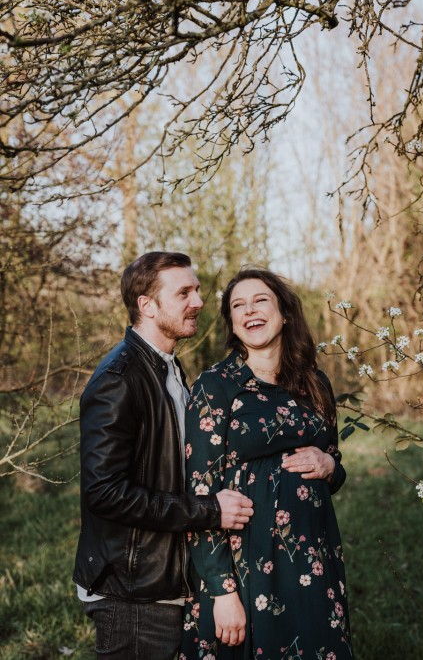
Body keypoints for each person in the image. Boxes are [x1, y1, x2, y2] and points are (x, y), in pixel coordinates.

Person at [73, 251, 254, 660]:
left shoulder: (167, 368)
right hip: (133, 593)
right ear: (147, 306)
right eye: (185, 292)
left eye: (198, 290)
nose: (200, 301)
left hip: (160, 586)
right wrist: (208, 510)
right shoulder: (118, 380)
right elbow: (104, 492)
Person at [180, 268, 353, 659]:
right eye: (237, 305)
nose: (249, 311)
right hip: (246, 568)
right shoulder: (217, 385)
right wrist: (223, 591)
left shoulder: (315, 382)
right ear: (232, 323)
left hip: (314, 560)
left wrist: (329, 464)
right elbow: (201, 494)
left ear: (284, 312)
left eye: (260, 300)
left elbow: (335, 468)